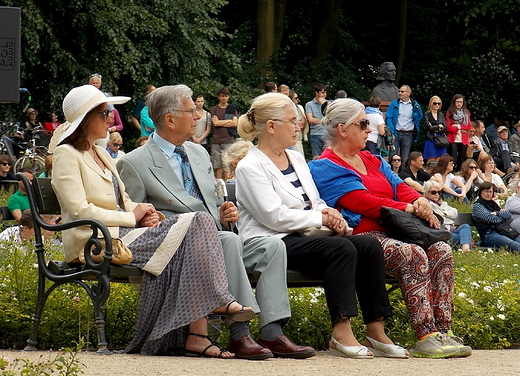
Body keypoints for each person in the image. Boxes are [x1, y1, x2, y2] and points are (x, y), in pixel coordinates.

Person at [50, 84, 253, 358]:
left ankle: (198, 334)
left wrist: (143, 210)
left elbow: (122, 199)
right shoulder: (67, 154)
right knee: (199, 223)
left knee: (200, 222)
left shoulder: (100, 154)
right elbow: (78, 210)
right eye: (104, 113)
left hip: (123, 236)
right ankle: (216, 303)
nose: (111, 118)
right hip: (96, 242)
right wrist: (130, 217)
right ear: (86, 119)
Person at [117, 85, 310, 360]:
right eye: (192, 110)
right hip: (182, 250)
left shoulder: (198, 154)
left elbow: (212, 203)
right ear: (171, 120)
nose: (198, 116)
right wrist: (149, 218)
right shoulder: (135, 162)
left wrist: (225, 213)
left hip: (218, 237)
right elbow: (136, 222)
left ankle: (272, 331)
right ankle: (239, 333)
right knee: (228, 241)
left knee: (271, 247)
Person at [237, 93, 408, 360]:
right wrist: (321, 219)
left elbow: (313, 201)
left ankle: (376, 330)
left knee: (367, 245)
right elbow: (273, 217)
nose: (299, 126)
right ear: (271, 126)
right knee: (340, 249)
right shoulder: (250, 166)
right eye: (293, 121)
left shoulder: (295, 158)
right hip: (273, 241)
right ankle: (341, 332)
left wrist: (329, 213)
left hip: (305, 237)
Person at [309, 98, 470, 358]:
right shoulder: (323, 166)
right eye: (363, 123)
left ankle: (443, 331)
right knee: (412, 254)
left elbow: (399, 185)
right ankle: (426, 335)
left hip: (396, 232)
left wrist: (418, 200)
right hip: (362, 238)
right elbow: (360, 200)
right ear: (342, 129)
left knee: (441, 249)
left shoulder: (372, 160)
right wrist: (407, 208)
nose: (369, 129)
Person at [423, 180, 472, 253]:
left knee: (465, 226)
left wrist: (445, 214)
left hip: (453, 230)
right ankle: (466, 248)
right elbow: (438, 217)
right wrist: (447, 216)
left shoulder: (443, 204)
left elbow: (455, 213)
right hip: (442, 232)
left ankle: (465, 248)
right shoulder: (426, 204)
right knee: (463, 237)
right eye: (433, 192)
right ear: (426, 193)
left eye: (439, 192)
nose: (437, 195)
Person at [472, 182, 520, 253]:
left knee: (518, 240)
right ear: (480, 192)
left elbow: (508, 215)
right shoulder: (478, 206)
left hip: (503, 231)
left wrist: (496, 213)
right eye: (486, 191)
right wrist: (501, 216)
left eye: (491, 191)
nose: (488, 194)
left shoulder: (494, 204)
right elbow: (489, 218)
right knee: (515, 246)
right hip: (489, 234)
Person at [385, 85, 423, 165]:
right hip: (396, 133)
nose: (399, 93)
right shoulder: (394, 104)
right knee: (393, 156)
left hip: (408, 134)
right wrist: (391, 132)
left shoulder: (415, 105)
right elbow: (389, 118)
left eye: (402, 91)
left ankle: (402, 176)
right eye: (399, 91)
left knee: (404, 158)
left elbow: (419, 117)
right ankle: (391, 175)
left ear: (408, 93)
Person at [210, 87, 239, 179]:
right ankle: (219, 184)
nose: (224, 98)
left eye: (226, 96)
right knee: (217, 166)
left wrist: (220, 122)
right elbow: (215, 123)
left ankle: (228, 184)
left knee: (228, 165)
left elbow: (234, 123)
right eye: (222, 96)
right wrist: (228, 121)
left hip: (228, 139)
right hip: (216, 140)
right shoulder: (214, 109)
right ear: (219, 97)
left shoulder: (232, 108)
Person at [446, 94, 471, 170]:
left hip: (463, 138)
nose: (459, 104)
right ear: (454, 102)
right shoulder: (449, 112)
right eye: (457, 102)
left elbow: (469, 126)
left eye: (461, 102)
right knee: (454, 158)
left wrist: (458, 126)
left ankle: (459, 172)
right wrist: (460, 129)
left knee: (462, 158)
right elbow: (448, 127)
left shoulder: (466, 113)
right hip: (453, 138)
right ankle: (451, 172)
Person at [305, 84, 328, 158]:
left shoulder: (329, 104)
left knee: (328, 157)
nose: (324, 95)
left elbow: (331, 117)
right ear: (316, 93)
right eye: (322, 92)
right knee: (316, 157)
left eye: (325, 92)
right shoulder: (309, 104)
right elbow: (311, 120)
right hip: (316, 134)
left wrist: (323, 104)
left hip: (327, 134)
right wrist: (325, 120)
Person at [422, 96, 447, 163]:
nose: (437, 105)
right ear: (431, 103)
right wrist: (439, 126)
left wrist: (435, 127)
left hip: (440, 139)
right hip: (431, 139)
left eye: (439, 103)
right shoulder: (427, 114)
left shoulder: (441, 115)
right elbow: (429, 127)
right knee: (431, 161)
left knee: (440, 161)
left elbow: (445, 128)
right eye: (435, 103)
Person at [288, 90, 308, 157]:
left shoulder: (299, 108)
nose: (297, 100)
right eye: (295, 98)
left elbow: (303, 122)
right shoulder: (287, 109)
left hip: (299, 138)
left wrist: (294, 123)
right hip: (290, 138)